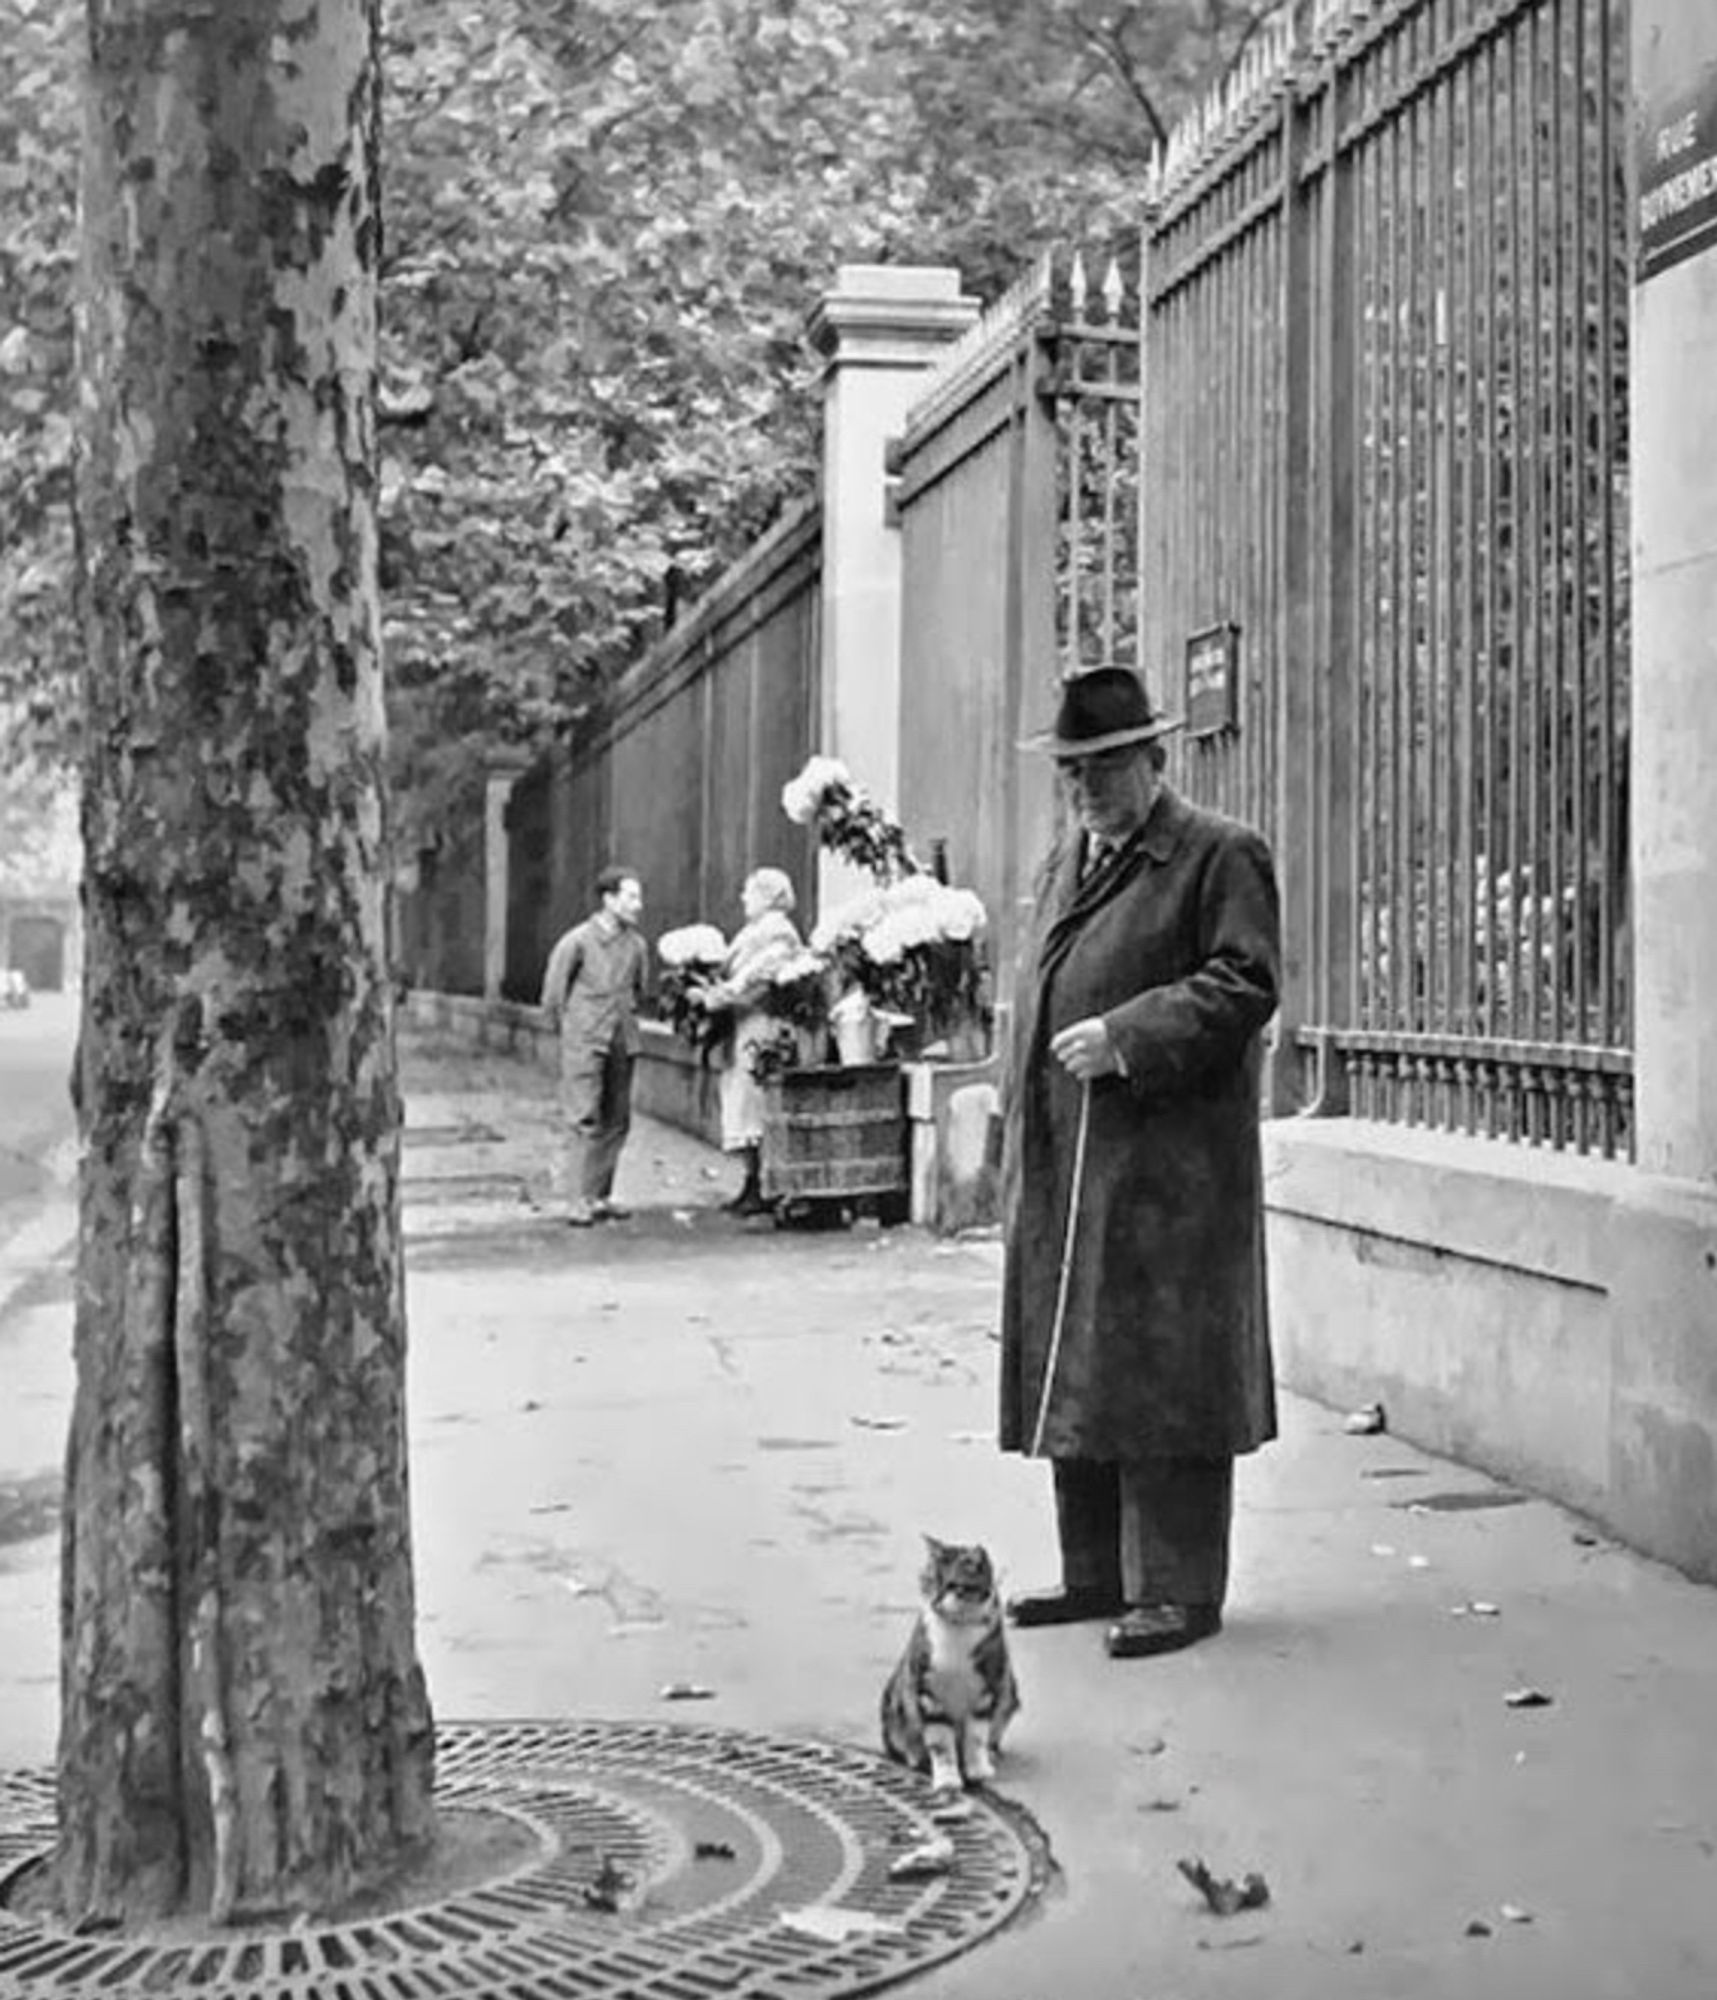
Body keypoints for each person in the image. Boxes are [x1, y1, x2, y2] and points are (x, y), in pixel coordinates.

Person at [997, 666, 1281, 1660]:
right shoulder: (1064, 860)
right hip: (1070, 1149)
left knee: (1163, 1363)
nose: (1086, 788)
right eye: (1073, 770)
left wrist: (1128, 1032)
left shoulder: (1217, 854)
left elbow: (1245, 981)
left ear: (1156, 759)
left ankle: (1179, 1587)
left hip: (1170, 1162)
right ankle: (1096, 1572)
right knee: (1079, 1358)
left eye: (1107, 765)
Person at [539, 864, 648, 1227]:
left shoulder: (636, 945)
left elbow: (639, 990)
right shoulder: (578, 941)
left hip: (623, 1038)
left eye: (638, 896)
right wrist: (568, 1035)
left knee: (617, 1118)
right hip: (585, 1039)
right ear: (609, 899)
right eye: (631, 896)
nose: (638, 904)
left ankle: (599, 1194)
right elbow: (554, 995)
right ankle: (576, 1199)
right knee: (582, 1117)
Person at [694, 867, 804, 1217]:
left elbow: (754, 981)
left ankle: (764, 1185)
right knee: (741, 1101)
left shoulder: (778, 934)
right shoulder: (754, 932)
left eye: (749, 891)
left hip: (762, 1027)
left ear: (768, 896)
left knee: (754, 1103)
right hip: (744, 1026)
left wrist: (716, 996)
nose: (743, 898)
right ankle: (752, 1180)